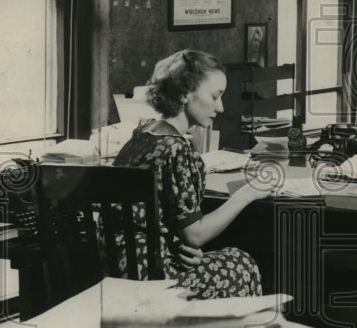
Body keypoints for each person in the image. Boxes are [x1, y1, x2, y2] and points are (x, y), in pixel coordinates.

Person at [113, 49, 270, 299]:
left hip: (121, 268)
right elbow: (195, 235)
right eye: (215, 96)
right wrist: (246, 194)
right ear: (185, 93)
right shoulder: (176, 148)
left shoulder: (141, 136)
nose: (220, 107)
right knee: (242, 264)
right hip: (153, 277)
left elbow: (143, 218)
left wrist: (176, 246)